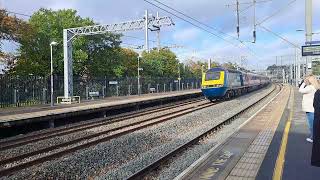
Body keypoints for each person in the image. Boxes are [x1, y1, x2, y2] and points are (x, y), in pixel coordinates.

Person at [299, 75, 317, 143]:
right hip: (313, 108)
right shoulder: (315, 86)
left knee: (311, 125)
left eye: (306, 79)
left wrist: (303, 83)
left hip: (310, 109)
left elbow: (300, 90)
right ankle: (314, 137)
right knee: (313, 124)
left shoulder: (310, 87)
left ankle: (313, 138)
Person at [311, 78, 320, 166]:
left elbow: (315, 105)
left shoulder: (317, 93)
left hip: (318, 120)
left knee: (317, 141)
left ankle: (316, 161)